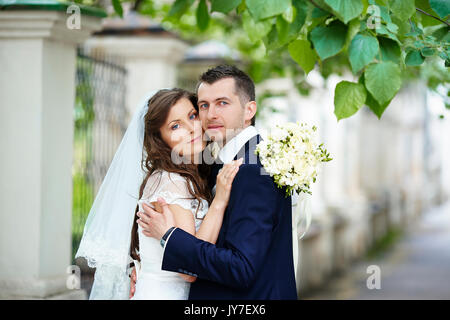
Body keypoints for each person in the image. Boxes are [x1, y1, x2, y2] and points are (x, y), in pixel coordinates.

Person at [134, 65, 298, 300]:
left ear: (249, 109)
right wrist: (145, 268)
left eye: (222, 103)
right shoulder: (216, 164)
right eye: (203, 105)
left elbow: (241, 268)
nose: (210, 115)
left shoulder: (252, 169)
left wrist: (169, 238)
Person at [76, 88, 242, 299]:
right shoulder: (172, 182)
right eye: (175, 126)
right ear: (160, 139)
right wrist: (219, 202)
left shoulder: (189, 175)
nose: (191, 128)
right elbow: (189, 270)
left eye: (192, 116)